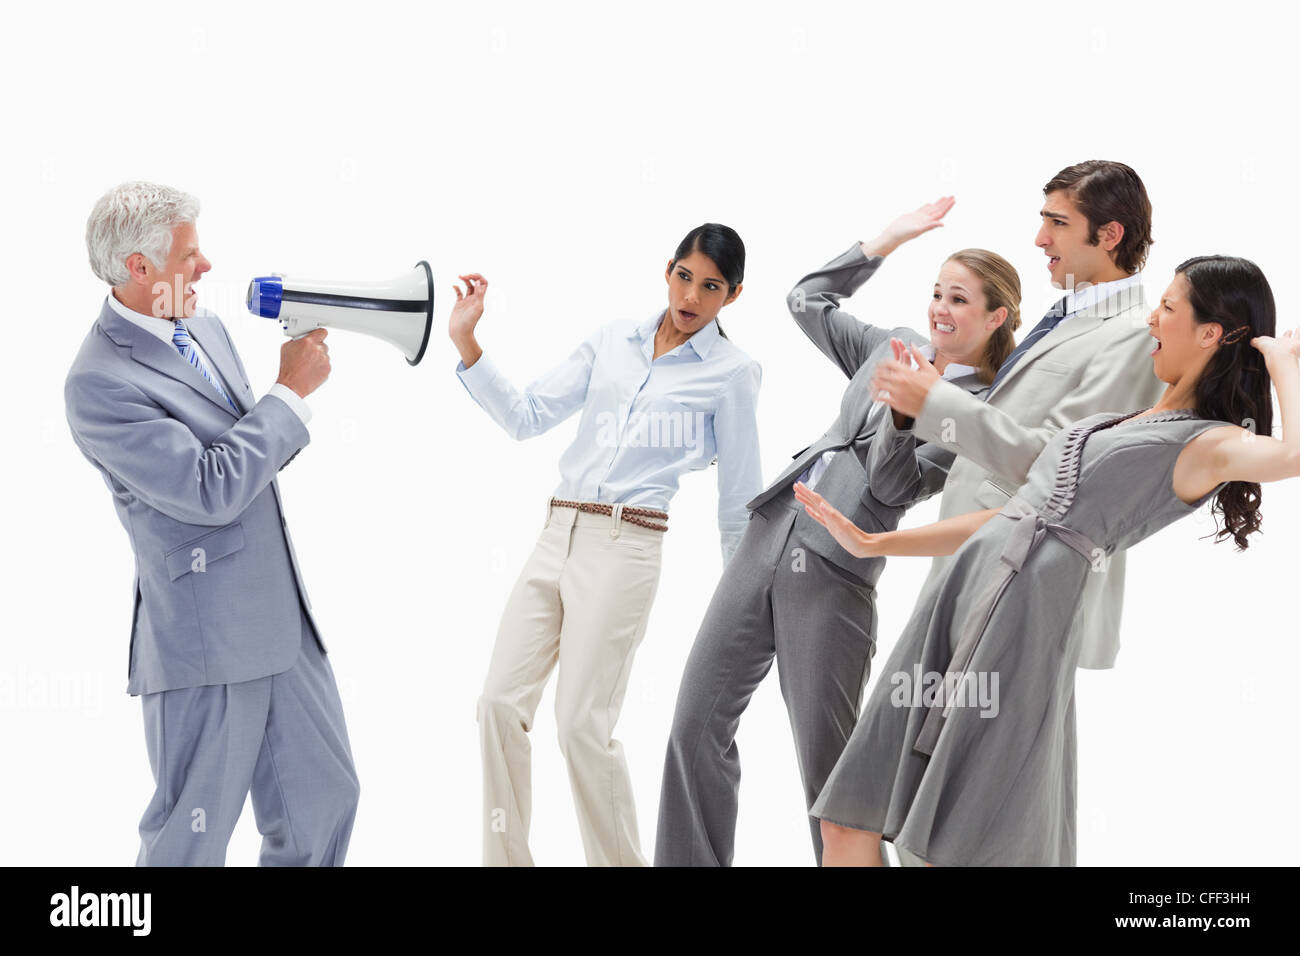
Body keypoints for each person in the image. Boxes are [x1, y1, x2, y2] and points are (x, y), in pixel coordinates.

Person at [796, 255, 1289, 866]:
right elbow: (1018, 514)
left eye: (1167, 307)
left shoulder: (1208, 441)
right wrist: (876, 544)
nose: (1151, 320)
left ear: (1211, 333)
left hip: (1023, 619)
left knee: (952, 841)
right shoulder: (1127, 419)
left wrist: (1280, 361)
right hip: (962, 594)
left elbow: (1293, 455)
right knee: (850, 820)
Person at [655, 198, 1022, 866]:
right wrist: (883, 242)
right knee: (693, 726)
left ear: (995, 317)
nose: (941, 307)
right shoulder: (895, 345)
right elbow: (806, 300)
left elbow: (889, 483)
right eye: (937, 292)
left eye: (960, 299)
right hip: (770, 528)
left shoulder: (978, 415)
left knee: (831, 783)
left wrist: (912, 405)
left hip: (835, 570)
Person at [65, 181, 359, 866]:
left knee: (325, 804)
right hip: (202, 642)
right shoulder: (98, 382)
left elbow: (242, 463)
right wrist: (288, 393)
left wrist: (281, 402)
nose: (205, 268)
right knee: (190, 837)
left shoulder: (207, 329)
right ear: (139, 267)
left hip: (282, 625)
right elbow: (208, 488)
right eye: (189, 255)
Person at [450, 223, 762, 867]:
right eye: (684, 276)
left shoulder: (733, 374)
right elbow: (526, 416)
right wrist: (467, 340)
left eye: (711, 287)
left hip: (628, 544)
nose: (692, 296)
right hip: (556, 530)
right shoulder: (612, 340)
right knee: (498, 705)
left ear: (732, 296)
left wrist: (744, 600)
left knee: (580, 727)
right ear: (667, 269)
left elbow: (737, 500)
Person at [869, 161, 1164, 672]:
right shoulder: (1068, 316)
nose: (1039, 239)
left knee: (968, 744)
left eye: (1058, 223)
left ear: (1110, 235)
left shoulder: (1133, 335)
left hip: (1019, 577)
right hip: (980, 562)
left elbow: (1062, 466)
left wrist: (933, 400)